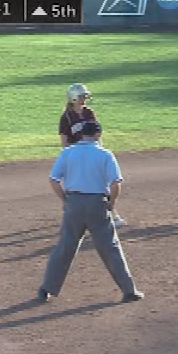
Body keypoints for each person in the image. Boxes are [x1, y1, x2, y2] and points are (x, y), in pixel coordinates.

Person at [38, 120, 144, 303]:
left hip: (73, 203)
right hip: (96, 203)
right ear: (98, 135)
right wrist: (111, 203)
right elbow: (116, 183)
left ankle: (46, 288)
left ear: (81, 134)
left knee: (65, 246)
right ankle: (129, 290)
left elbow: (53, 180)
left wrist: (65, 200)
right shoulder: (104, 154)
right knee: (110, 247)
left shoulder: (67, 152)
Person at [60, 83, 127, 227]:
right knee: (75, 184)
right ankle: (71, 209)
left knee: (102, 183)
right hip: (76, 155)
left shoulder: (89, 112)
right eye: (81, 96)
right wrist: (69, 157)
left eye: (84, 96)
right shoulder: (66, 117)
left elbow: (96, 132)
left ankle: (112, 213)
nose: (84, 99)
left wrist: (100, 149)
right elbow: (64, 141)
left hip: (92, 151)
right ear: (73, 98)